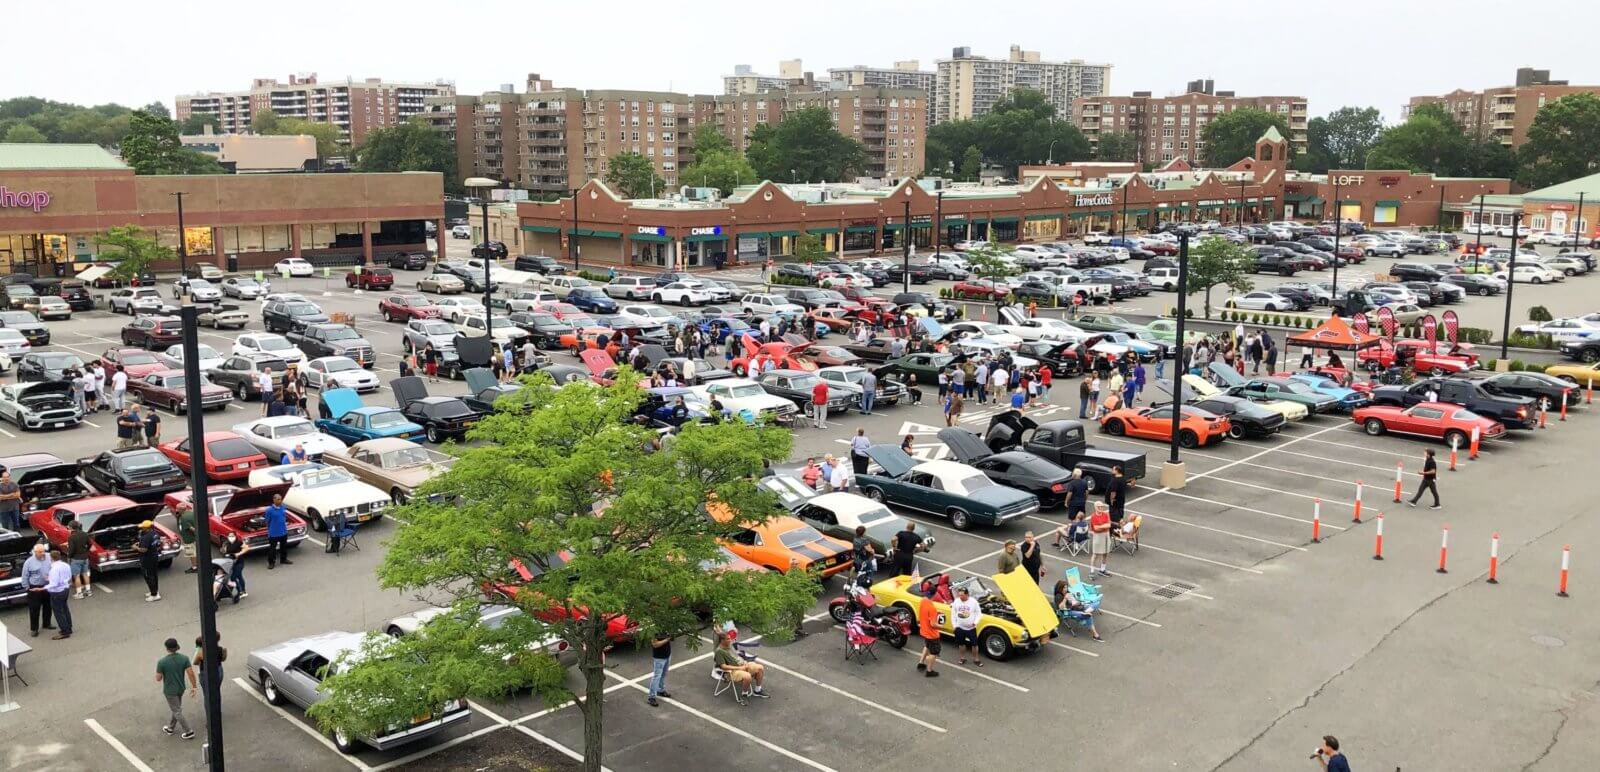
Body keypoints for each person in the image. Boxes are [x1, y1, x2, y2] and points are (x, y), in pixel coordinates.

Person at [156, 638, 197, 739]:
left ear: (167, 648)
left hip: (170, 690)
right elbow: (190, 673)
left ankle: (189, 731)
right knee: (176, 707)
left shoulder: (162, 662)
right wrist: (194, 686)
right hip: (180, 688)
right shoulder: (184, 658)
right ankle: (171, 727)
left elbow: (158, 678)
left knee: (177, 710)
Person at [22, 543, 54, 636]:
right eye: (40, 552)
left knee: (48, 606)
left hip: (47, 587)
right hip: (35, 588)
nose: (43, 553)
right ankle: (34, 629)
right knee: (34, 609)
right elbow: (25, 575)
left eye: (43, 551)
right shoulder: (29, 562)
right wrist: (27, 588)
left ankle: (46, 624)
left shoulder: (49, 557)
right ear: (35, 552)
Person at [949, 585, 982, 666]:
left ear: (967, 595)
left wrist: (975, 622)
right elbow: (953, 614)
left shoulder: (973, 602)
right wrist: (955, 626)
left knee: (974, 644)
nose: (960, 597)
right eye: (959, 595)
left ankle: (976, 659)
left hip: (971, 628)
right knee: (961, 644)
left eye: (962, 595)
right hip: (960, 628)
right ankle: (962, 658)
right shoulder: (956, 601)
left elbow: (979, 613)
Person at [45, 548, 72, 639]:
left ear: (51, 558)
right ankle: (69, 627)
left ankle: (65, 631)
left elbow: (54, 584)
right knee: (65, 608)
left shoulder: (54, 569)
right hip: (65, 589)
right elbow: (68, 576)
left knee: (58, 612)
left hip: (57, 592)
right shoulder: (65, 565)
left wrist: (43, 588)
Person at [193, 634, 227, 701]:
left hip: (205, 672)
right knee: (216, 690)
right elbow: (223, 659)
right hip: (218, 669)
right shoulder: (220, 649)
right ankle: (217, 707)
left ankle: (210, 709)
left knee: (207, 694)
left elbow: (195, 662)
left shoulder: (201, 652)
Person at [135, 520, 162, 601]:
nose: (141, 529)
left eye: (143, 528)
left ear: (147, 528)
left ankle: (154, 595)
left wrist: (135, 547)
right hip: (154, 556)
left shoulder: (146, 537)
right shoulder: (155, 533)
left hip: (147, 559)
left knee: (148, 576)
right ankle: (155, 591)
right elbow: (158, 544)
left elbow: (143, 550)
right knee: (154, 575)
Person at [915, 592, 940, 678]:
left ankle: (921, 663)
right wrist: (941, 626)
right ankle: (929, 671)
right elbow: (933, 624)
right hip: (932, 634)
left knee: (927, 646)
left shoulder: (923, 601)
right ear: (934, 595)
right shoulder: (932, 608)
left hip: (924, 631)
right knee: (934, 652)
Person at [265, 493, 293, 568]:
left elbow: (284, 517)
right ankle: (271, 563)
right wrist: (270, 529)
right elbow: (267, 521)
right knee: (272, 549)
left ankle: (283, 559)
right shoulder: (269, 510)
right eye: (278, 499)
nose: (280, 501)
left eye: (281, 499)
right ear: (274, 500)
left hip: (283, 532)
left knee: (284, 547)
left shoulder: (283, 507)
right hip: (273, 533)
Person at [646, 633, 673, 707]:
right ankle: (651, 697)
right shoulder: (654, 629)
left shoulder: (666, 626)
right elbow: (655, 644)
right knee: (657, 676)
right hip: (659, 658)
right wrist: (667, 639)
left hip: (667, 655)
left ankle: (661, 690)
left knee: (664, 674)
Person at [67, 519, 92, 598]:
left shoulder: (71, 537)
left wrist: (69, 556)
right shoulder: (84, 534)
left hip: (76, 558)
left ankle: (79, 593)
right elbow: (90, 544)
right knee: (85, 574)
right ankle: (88, 591)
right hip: (85, 557)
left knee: (76, 576)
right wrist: (86, 551)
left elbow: (72, 549)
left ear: (71, 527)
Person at [221, 530, 249, 598]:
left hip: (239, 562)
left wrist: (238, 554)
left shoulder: (239, 542)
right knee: (239, 576)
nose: (231, 537)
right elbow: (223, 551)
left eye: (232, 536)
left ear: (235, 536)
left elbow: (246, 548)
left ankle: (240, 591)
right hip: (230, 563)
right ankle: (243, 591)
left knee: (233, 577)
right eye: (229, 536)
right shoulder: (226, 543)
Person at [1088, 503, 1113, 577]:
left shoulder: (1106, 514)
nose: (1100, 508)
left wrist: (1100, 526)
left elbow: (1109, 525)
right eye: (1098, 507)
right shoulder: (1093, 516)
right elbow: (1095, 528)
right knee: (1095, 554)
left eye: (1101, 506)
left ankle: (1102, 570)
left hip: (1106, 535)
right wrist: (1104, 526)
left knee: (1105, 553)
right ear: (1095, 507)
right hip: (1098, 536)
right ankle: (1092, 572)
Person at [177, 500, 199, 575]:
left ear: (181, 510)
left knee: (191, 553)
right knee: (195, 552)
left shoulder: (183, 518)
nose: (176, 510)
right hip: (194, 538)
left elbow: (191, 528)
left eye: (178, 509)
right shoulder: (191, 513)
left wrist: (196, 534)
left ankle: (194, 567)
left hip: (189, 538)